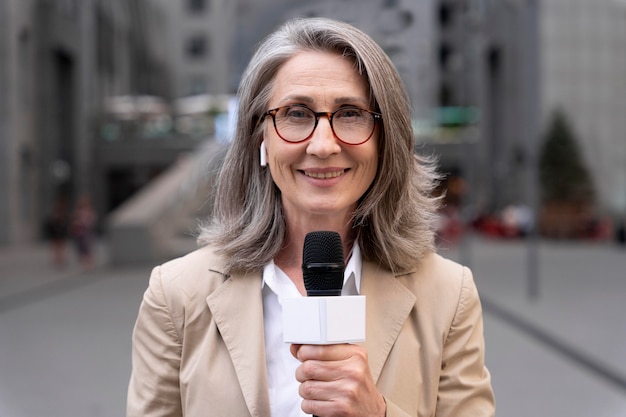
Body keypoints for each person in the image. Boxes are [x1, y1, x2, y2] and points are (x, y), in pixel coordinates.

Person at [127, 17, 495, 417]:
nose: (323, 145)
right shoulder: (176, 295)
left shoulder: (447, 294)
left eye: (351, 113)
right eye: (297, 113)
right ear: (259, 138)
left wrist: (378, 413)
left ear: (385, 142)